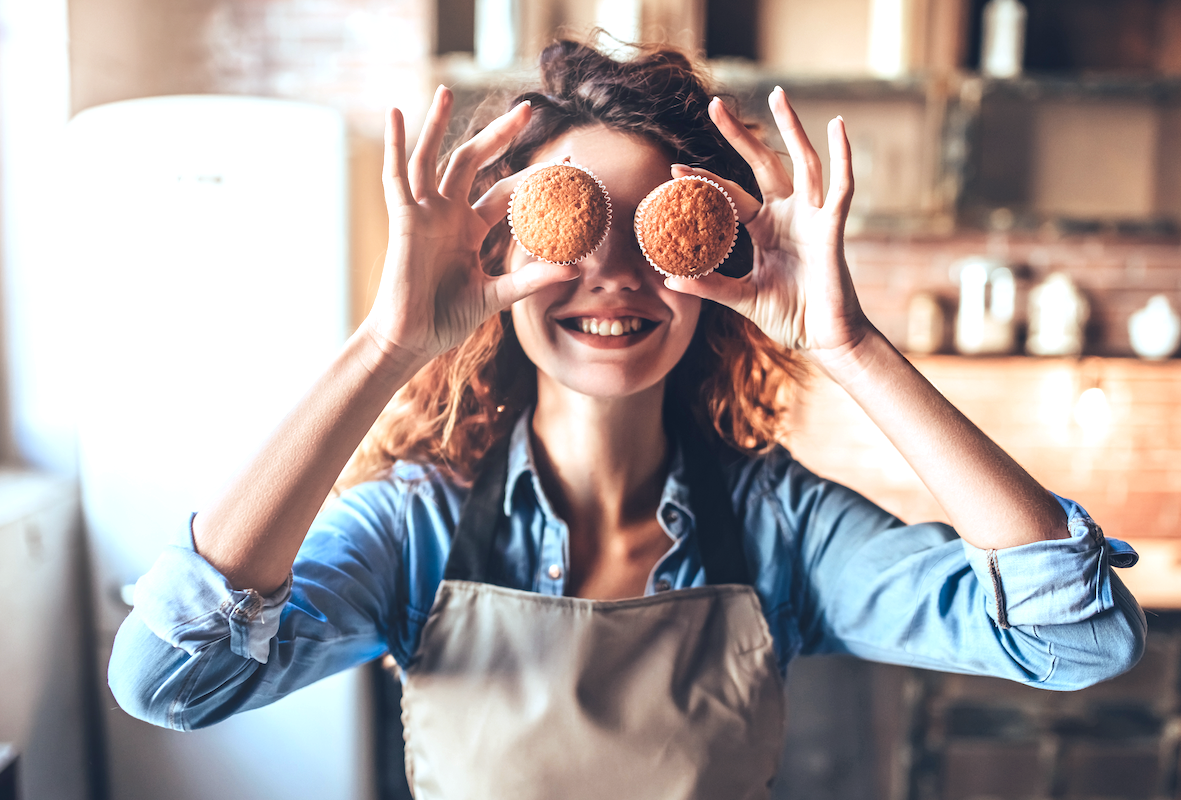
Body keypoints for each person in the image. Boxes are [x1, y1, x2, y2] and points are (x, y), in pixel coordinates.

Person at [109, 39, 1145, 799]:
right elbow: (169, 679)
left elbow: (1079, 638)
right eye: (573, 227)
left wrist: (848, 342)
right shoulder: (414, 533)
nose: (611, 278)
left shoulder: (779, 529)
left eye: (656, 234)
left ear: (712, 268)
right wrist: (387, 346)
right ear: (506, 257)